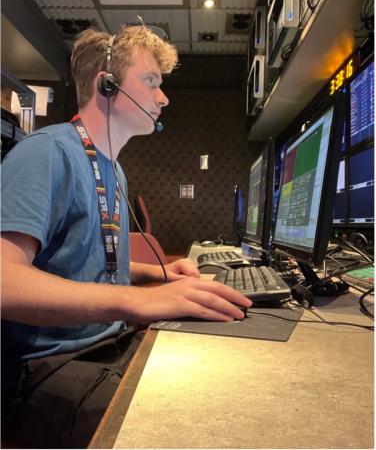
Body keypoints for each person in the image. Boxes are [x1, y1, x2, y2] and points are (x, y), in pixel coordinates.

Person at [1, 25, 252, 448]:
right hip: (49, 369)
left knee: (227, 389)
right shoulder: (48, 152)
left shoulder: (111, 168)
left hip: (105, 344)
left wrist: (157, 275)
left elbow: (83, 262)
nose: (164, 97)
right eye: (151, 81)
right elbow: (5, 281)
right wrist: (137, 300)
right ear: (109, 85)